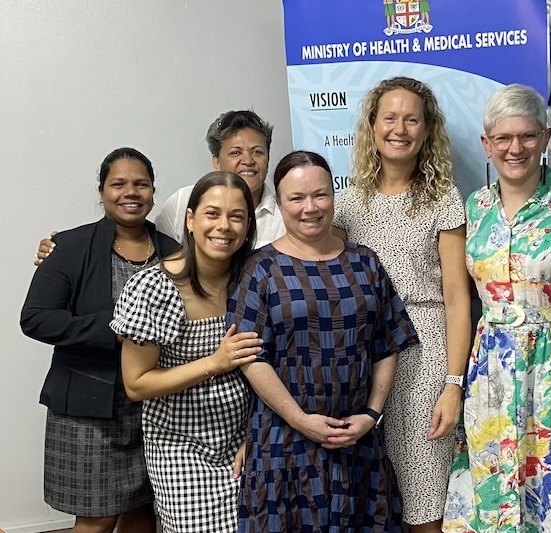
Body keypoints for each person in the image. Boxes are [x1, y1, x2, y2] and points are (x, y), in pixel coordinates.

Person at [443, 84, 551, 532]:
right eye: (504, 138)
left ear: (546, 138)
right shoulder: (474, 208)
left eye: (528, 136)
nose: (516, 148)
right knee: (493, 482)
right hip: (491, 366)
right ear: (487, 144)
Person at [229, 150, 416, 532]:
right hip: (284, 441)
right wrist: (301, 420)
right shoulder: (260, 268)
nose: (310, 207)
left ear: (335, 195)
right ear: (280, 204)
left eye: (321, 195)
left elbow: (386, 344)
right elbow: (250, 358)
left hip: (356, 441)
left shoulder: (365, 263)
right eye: (296, 198)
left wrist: (371, 415)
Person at [332, 76, 472, 532]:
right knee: (366, 496)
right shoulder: (346, 205)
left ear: (427, 130)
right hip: (362, 360)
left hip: (424, 359)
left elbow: (456, 298)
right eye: (389, 117)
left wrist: (453, 383)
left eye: (412, 119)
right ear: (372, 126)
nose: (400, 128)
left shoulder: (442, 200)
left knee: (424, 503)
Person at [20, 147, 180, 533]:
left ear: (153, 192)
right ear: (102, 191)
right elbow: (36, 318)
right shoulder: (70, 247)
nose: (131, 192)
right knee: (96, 517)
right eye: (119, 184)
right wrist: (119, 329)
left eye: (141, 184)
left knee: (144, 512)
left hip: (154, 409)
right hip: (88, 410)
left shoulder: (174, 252)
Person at [109, 172, 262, 533]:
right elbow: (136, 384)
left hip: (243, 441)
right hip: (180, 448)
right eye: (212, 213)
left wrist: (255, 435)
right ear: (190, 220)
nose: (223, 226)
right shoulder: (153, 288)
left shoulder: (255, 278)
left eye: (236, 216)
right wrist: (214, 363)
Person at [34, 109, 284, 264]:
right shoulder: (183, 202)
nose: (248, 161)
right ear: (216, 161)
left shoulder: (288, 211)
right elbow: (146, 249)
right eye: (236, 152)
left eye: (257, 152)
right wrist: (65, 249)